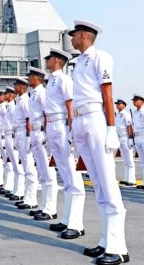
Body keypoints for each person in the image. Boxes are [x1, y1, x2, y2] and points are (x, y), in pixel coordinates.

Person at [69, 20, 129, 264]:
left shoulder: (100, 57)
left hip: (96, 119)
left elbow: (107, 94)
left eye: (74, 35)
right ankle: (106, 241)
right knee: (98, 186)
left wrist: (111, 128)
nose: (71, 38)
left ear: (83, 35)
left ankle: (118, 248)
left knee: (108, 184)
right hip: (81, 120)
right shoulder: (78, 62)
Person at [44, 47, 86, 240]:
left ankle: (76, 225)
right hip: (53, 125)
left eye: (50, 58)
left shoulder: (63, 79)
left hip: (62, 125)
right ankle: (68, 218)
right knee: (65, 176)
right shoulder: (51, 80)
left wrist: (71, 129)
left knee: (72, 176)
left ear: (59, 61)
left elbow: (70, 104)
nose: (47, 60)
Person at [27, 67, 59, 221]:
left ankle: (51, 209)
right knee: (42, 173)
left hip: (41, 133)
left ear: (36, 78)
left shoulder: (42, 93)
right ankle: (44, 206)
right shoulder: (33, 94)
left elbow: (48, 114)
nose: (28, 79)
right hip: (34, 133)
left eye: (30, 77)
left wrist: (47, 135)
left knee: (48, 173)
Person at [12, 77, 39, 209]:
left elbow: (29, 120)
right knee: (25, 167)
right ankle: (27, 197)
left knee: (29, 167)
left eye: (15, 84)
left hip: (24, 133)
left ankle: (31, 200)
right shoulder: (20, 100)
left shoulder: (25, 101)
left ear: (22, 86)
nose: (14, 86)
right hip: (19, 133)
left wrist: (29, 137)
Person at [115, 99, 136, 187]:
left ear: (124, 105)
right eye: (116, 104)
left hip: (125, 137)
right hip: (119, 137)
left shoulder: (126, 114)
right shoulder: (118, 115)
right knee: (125, 159)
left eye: (119, 104)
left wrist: (130, 138)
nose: (117, 105)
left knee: (129, 159)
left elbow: (129, 127)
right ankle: (126, 178)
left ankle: (131, 179)